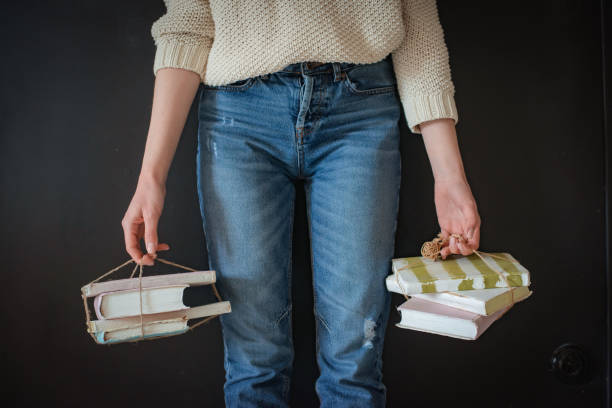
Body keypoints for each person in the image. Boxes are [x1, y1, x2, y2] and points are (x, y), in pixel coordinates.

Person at [121, 0, 481, 407]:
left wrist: (450, 177)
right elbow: (186, 28)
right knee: (252, 360)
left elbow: (418, 32)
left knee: (356, 357)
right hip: (241, 116)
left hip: (360, 109)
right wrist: (151, 178)